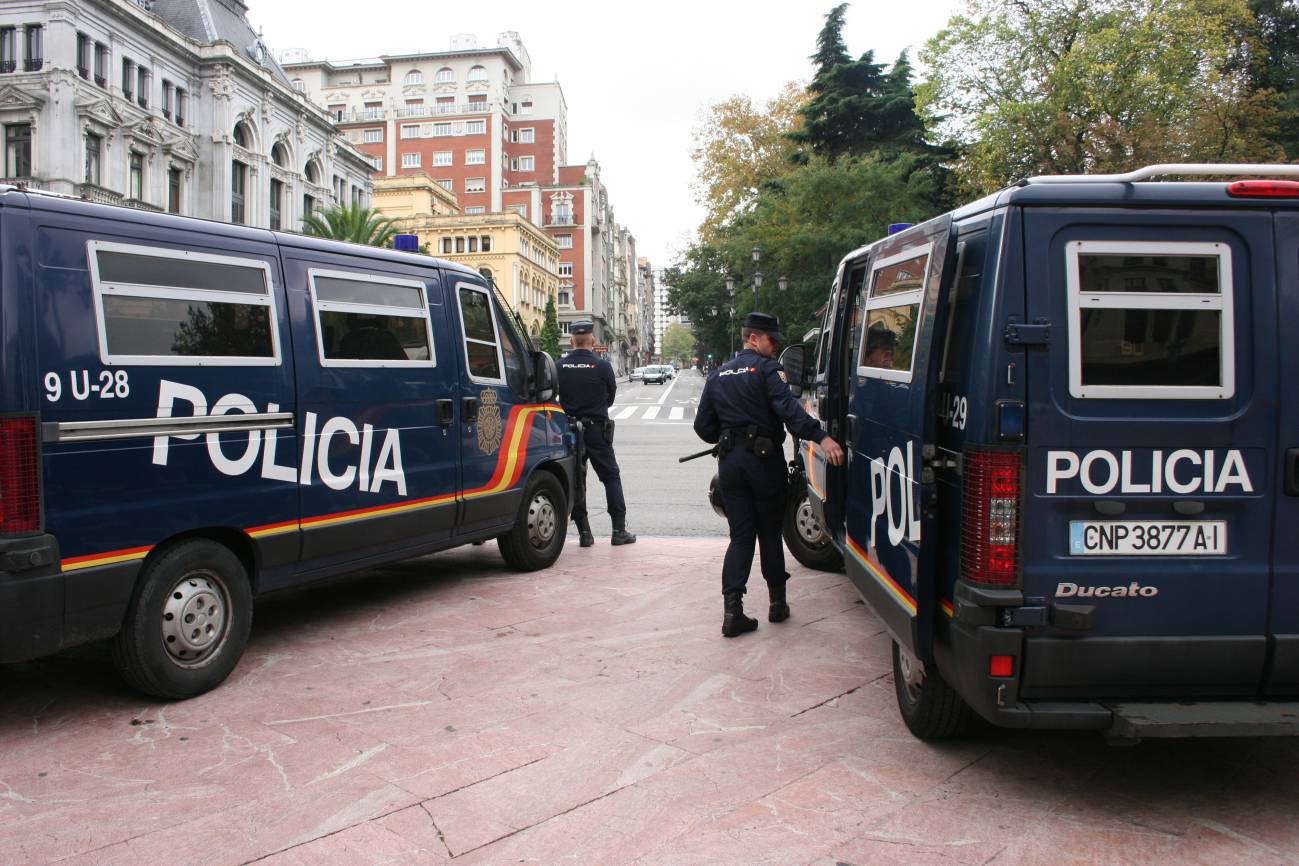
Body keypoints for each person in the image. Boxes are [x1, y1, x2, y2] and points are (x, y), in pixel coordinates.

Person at [694, 312, 846, 637]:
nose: (775, 346)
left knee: (740, 537)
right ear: (753, 338)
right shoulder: (766, 370)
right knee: (769, 533)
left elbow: (703, 427)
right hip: (762, 463)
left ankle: (733, 611)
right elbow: (789, 412)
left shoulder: (718, 375)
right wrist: (821, 436)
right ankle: (777, 605)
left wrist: (729, 431)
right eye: (771, 340)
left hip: (730, 465)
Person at [558, 321, 636, 547]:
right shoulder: (602, 367)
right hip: (597, 432)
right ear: (593, 340)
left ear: (571, 340)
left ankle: (584, 533)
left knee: (576, 481)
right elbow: (610, 397)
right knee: (611, 477)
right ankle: (618, 530)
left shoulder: (559, 366)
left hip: (571, 432)